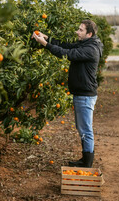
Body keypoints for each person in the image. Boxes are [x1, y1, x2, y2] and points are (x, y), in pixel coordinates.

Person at [32, 19, 103, 168]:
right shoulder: (86, 43)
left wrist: (44, 44)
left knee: (85, 129)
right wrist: (47, 38)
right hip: (81, 94)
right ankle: (85, 159)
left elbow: (67, 53)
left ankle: (87, 163)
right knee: (82, 128)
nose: (77, 32)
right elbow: (65, 45)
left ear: (89, 34)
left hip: (85, 95)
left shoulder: (90, 49)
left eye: (80, 30)